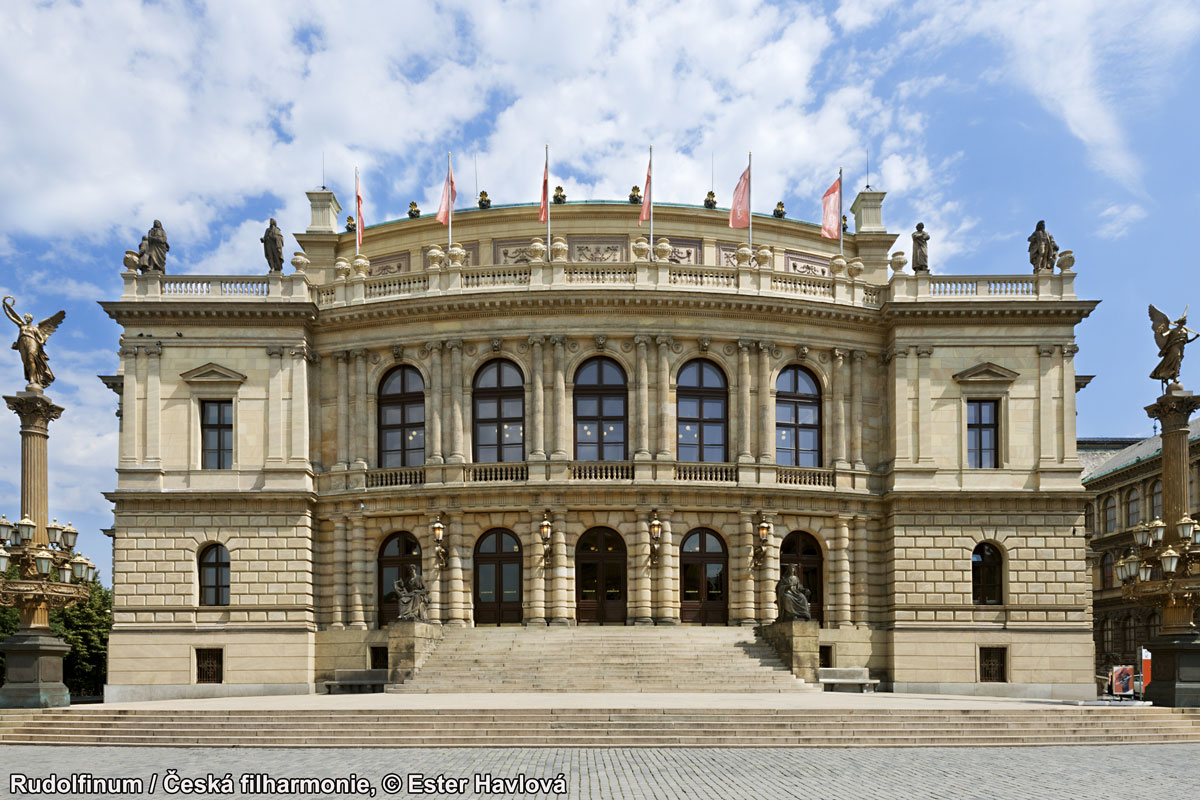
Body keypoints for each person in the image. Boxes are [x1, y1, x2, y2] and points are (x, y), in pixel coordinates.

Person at [3, 296, 64, 390]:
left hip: (32, 343)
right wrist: (5, 308)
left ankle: (32, 379)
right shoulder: (21, 326)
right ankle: (31, 376)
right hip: (22, 343)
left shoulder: (35, 328)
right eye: (26, 317)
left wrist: (43, 341)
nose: (27, 318)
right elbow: (12, 317)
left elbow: (41, 339)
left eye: (28, 317)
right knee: (26, 361)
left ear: (31, 319)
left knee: (31, 359)